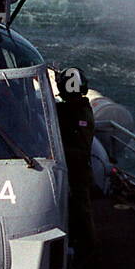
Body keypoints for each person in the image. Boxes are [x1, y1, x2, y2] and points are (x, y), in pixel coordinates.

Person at [55, 67, 96, 256]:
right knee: (80, 205)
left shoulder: (72, 112)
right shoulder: (82, 110)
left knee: (81, 206)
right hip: (79, 165)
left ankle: (88, 247)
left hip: (76, 165)